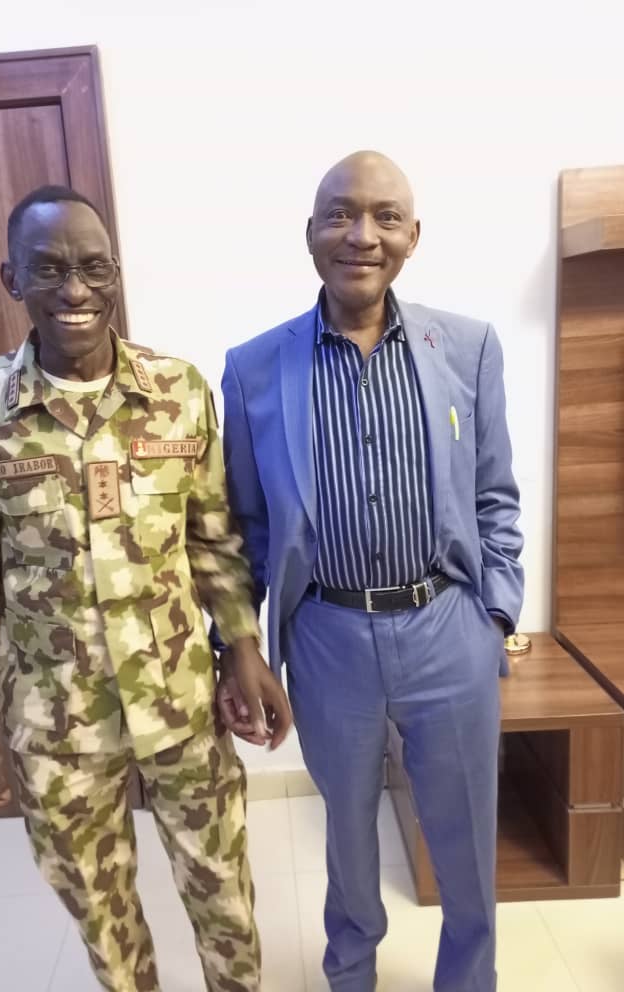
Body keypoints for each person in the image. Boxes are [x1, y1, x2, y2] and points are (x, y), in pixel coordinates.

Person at [0, 184, 291, 992]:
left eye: (93, 267)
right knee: (100, 910)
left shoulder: (178, 390)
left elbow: (213, 538)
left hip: (181, 700)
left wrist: (244, 650)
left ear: (115, 273)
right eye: (50, 269)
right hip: (55, 720)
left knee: (224, 893)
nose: (76, 289)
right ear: (12, 279)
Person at [215, 152, 523, 992]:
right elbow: (245, 526)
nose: (362, 235)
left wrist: (494, 617)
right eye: (340, 214)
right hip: (327, 635)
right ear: (310, 233)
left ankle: (469, 979)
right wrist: (239, 648)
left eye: (386, 217)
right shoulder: (253, 367)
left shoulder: (467, 346)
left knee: (465, 841)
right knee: (348, 840)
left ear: (413, 236)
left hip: (446, 626)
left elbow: (494, 495)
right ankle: (350, 975)